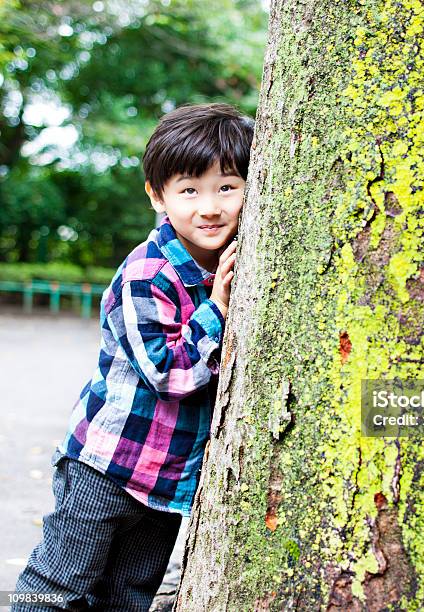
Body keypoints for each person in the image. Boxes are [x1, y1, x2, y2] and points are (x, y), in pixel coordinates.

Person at [12, 103, 254, 611]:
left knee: (130, 596)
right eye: (189, 190)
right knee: (57, 588)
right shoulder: (149, 274)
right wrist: (218, 309)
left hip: (170, 481)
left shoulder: (240, 263)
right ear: (157, 196)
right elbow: (169, 375)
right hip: (108, 466)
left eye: (227, 187)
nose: (209, 207)